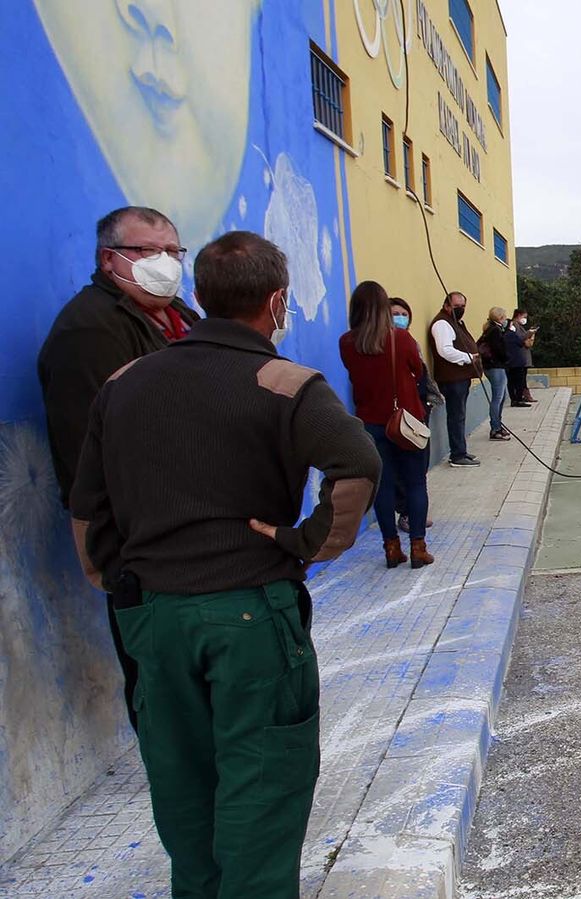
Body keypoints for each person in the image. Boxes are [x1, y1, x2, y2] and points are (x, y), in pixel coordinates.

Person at [70, 230, 380, 898]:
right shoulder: (286, 382)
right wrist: (307, 542)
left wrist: (121, 583)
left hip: (154, 615)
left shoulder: (124, 383)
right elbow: (357, 462)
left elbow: (88, 507)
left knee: (182, 783)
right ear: (276, 303)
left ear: (199, 296)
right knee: (263, 785)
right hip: (251, 614)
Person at [37, 205, 201, 730]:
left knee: (197, 653)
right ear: (110, 261)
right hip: (143, 530)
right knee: (154, 660)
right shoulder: (89, 332)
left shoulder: (180, 316)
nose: (166, 263)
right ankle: (168, 758)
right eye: (147, 252)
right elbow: (93, 449)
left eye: (173, 251)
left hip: (197, 512)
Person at [340, 281, 434, 569]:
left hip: (370, 424)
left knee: (383, 488)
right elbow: (417, 371)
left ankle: (391, 548)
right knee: (416, 484)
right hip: (406, 422)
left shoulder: (347, 342)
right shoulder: (401, 340)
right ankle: (418, 547)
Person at [390, 297, 437, 535]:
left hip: (418, 411)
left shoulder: (410, 341)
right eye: (394, 313)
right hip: (396, 416)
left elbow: (419, 373)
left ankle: (416, 513)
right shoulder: (382, 344)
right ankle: (406, 513)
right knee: (400, 469)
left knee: (419, 466)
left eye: (403, 313)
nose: (399, 317)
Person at [429, 291, 484, 466]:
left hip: (460, 377)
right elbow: (445, 350)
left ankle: (461, 451)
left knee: (459, 416)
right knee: (456, 416)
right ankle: (457, 455)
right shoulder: (442, 324)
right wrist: (469, 357)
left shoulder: (454, 322)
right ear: (446, 306)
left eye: (463, 306)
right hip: (453, 378)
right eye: (456, 306)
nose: (460, 309)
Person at [479, 307, 513, 442]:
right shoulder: (495, 331)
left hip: (492, 366)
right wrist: (507, 358)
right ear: (500, 317)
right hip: (495, 366)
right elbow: (499, 349)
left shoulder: (491, 329)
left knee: (502, 396)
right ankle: (495, 428)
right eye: (504, 317)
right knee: (497, 398)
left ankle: (498, 424)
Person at [506, 309, 536, 406]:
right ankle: (517, 398)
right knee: (517, 380)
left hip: (520, 358)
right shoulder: (514, 326)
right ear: (518, 315)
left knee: (521, 379)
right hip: (516, 358)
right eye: (524, 317)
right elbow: (519, 339)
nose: (525, 319)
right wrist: (529, 334)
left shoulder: (519, 326)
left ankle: (521, 397)